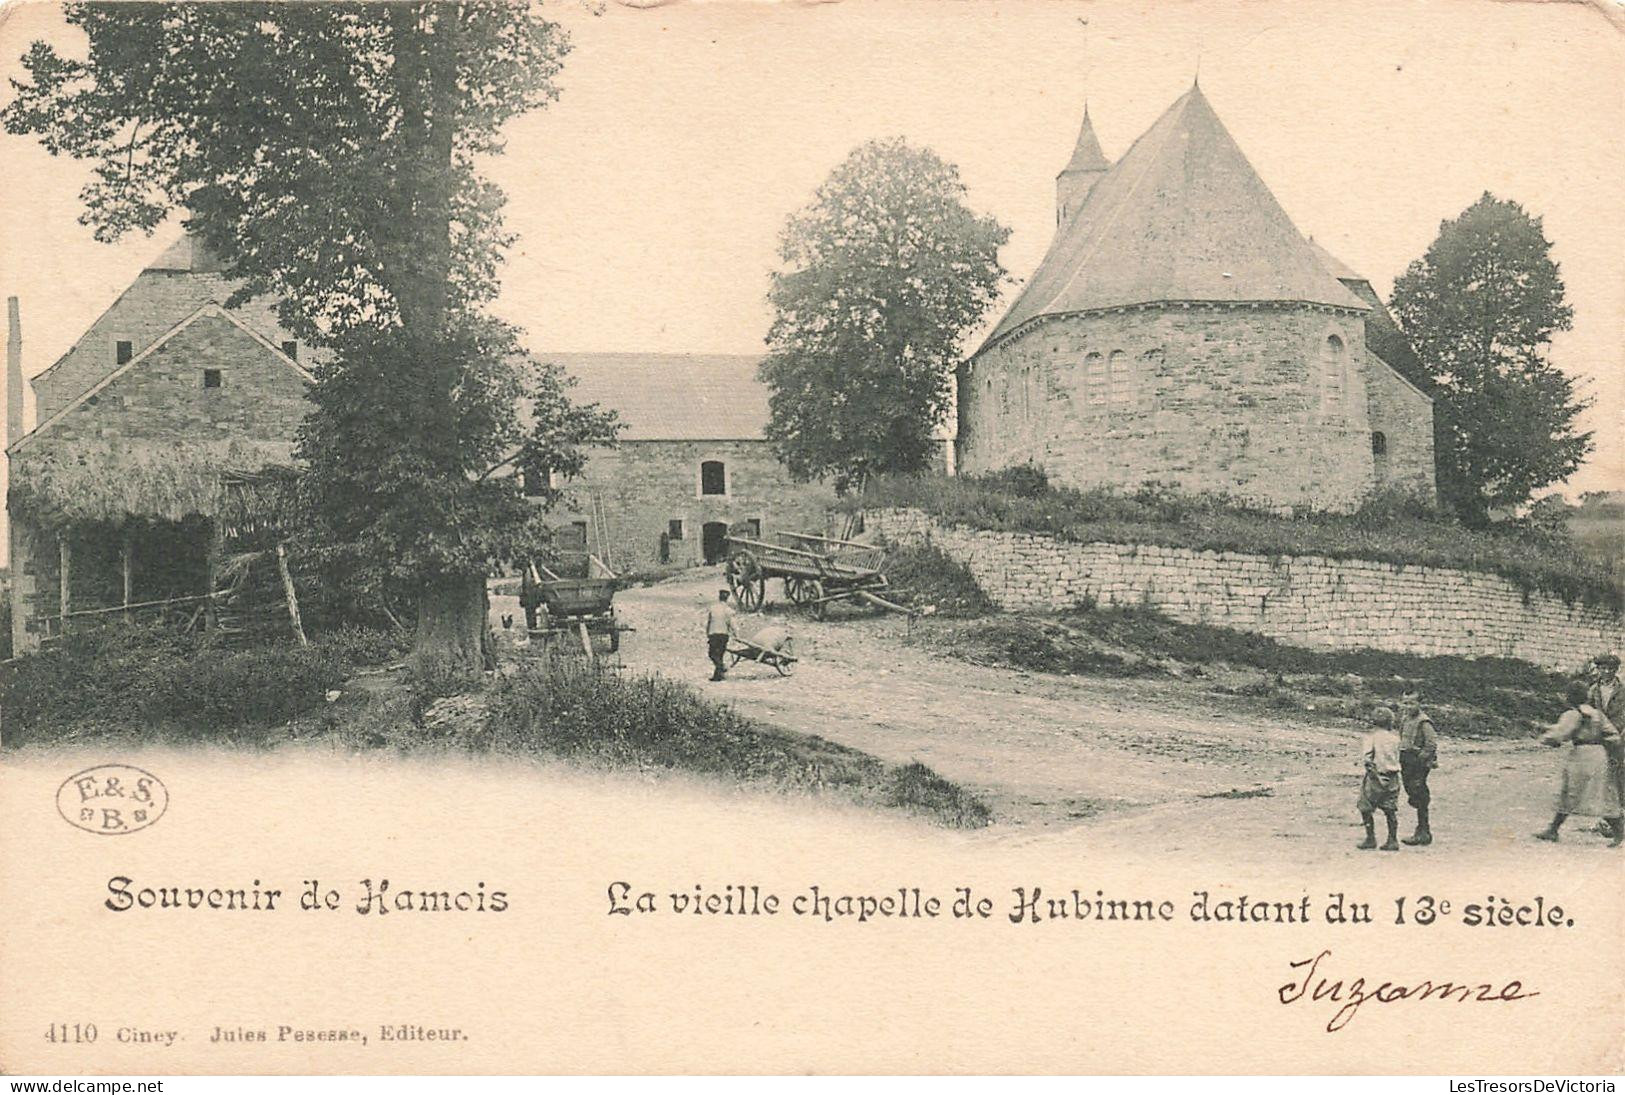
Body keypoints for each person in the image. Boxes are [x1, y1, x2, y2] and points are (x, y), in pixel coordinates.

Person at [1534, 680, 1622, 846]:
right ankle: (1619, 833)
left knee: (1570, 792)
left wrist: (1546, 738)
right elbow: (1614, 736)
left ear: (1570, 697)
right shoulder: (1597, 714)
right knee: (1601, 794)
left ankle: (1553, 830)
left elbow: (1558, 735)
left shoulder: (1572, 714)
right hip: (1599, 755)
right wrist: (1600, 742)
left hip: (1581, 755)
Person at [1396, 689, 1439, 846]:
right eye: (1405, 703)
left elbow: (1431, 743)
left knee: (1418, 791)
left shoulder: (1424, 722)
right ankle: (1418, 804)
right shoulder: (1405, 719)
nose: (1408, 706)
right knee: (1410, 789)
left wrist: (1421, 758)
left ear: (1420, 704)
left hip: (1418, 761)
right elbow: (1402, 737)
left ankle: (1423, 832)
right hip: (1406, 759)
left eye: (1412, 703)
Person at [1357, 707, 1402, 852]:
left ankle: (1370, 838)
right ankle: (1392, 839)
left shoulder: (1371, 738)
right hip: (1393, 777)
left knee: (1365, 807)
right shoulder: (1396, 739)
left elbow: (1368, 759)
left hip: (1376, 776)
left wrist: (1373, 775)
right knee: (1390, 809)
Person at [1588, 653, 1624, 834]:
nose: (1607, 671)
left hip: (1619, 740)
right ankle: (1604, 820)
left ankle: (1619, 818)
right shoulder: (1593, 690)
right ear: (1598, 669)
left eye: (1611, 669)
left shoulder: (1623, 690)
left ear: (1616, 670)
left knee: (1618, 777)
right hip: (1599, 740)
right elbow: (1588, 712)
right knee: (1601, 779)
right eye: (1603, 668)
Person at [705, 589, 737, 681]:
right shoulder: (729, 610)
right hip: (724, 634)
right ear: (727, 599)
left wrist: (707, 632)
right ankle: (718, 675)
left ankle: (721, 668)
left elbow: (709, 621)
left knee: (712, 654)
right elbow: (733, 624)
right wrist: (736, 635)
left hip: (713, 633)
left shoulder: (713, 608)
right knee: (720, 654)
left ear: (719, 597)